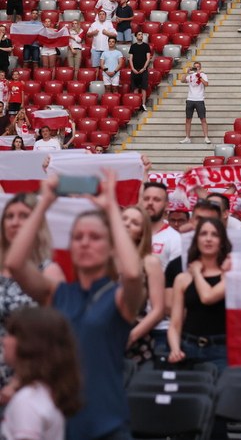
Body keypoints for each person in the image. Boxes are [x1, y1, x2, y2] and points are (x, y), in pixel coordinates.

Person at [7, 173, 144, 440]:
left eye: (95, 237)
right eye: (78, 237)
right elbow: (15, 264)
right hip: (61, 421)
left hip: (108, 424)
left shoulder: (118, 298)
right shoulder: (56, 293)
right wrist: (44, 202)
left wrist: (110, 209)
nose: (84, 242)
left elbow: (132, 274)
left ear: (110, 248)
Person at [0, 194, 67, 392]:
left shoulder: (49, 272)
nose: (15, 222)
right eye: (9, 216)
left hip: (26, 384)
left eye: (23, 216)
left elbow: (55, 337)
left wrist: (18, 383)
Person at [1, 307, 81, 440]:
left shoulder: (27, 402)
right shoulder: (44, 393)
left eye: (12, 334)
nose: (4, 340)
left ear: (30, 344)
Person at [167, 218, 231, 372]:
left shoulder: (229, 275)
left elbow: (207, 297)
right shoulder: (182, 279)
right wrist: (175, 349)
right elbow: (175, 324)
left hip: (221, 350)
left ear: (222, 242)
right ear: (196, 240)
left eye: (214, 235)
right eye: (203, 234)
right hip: (188, 346)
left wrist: (196, 272)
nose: (208, 239)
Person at [122, 206, 166, 366]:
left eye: (134, 223)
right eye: (123, 219)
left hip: (136, 342)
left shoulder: (149, 262)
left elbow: (158, 310)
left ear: (142, 233)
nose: (126, 224)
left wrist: (131, 336)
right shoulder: (103, 258)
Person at [180, 61, 210, 144]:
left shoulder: (203, 75)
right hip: (190, 99)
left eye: (198, 66)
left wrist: (199, 76)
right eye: (195, 66)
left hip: (200, 99)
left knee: (203, 119)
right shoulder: (190, 76)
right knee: (188, 119)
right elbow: (182, 81)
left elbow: (206, 84)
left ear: (200, 67)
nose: (196, 68)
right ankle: (187, 137)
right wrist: (187, 72)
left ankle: (206, 137)